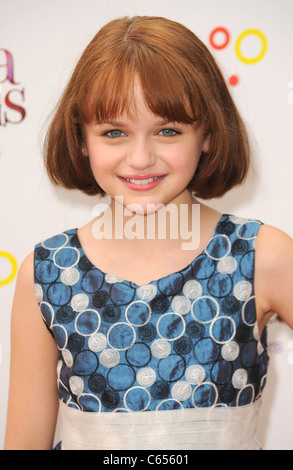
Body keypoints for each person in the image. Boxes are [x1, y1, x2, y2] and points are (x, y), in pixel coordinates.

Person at [4, 16, 293, 451]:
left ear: (208, 135)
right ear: (81, 139)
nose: (140, 158)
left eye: (168, 130)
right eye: (114, 132)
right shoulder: (45, 272)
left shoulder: (263, 255)